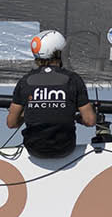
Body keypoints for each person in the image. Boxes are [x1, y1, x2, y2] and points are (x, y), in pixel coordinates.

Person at [6, 30, 95, 158]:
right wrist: (74, 116)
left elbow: (11, 123)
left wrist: (30, 112)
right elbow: (90, 120)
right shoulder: (73, 79)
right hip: (66, 148)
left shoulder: (25, 81)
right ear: (60, 53)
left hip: (34, 150)